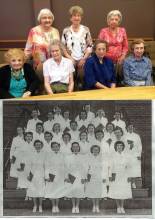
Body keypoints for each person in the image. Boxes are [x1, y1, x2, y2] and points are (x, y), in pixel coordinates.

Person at [24, 8, 60, 82]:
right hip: (39, 63)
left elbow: (59, 48)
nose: (47, 20)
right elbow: (28, 49)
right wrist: (22, 61)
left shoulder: (55, 31)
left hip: (54, 62)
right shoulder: (34, 31)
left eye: (49, 18)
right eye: (44, 18)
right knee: (40, 80)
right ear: (40, 20)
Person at [61, 5, 93, 89]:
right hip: (70, 58)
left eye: (78, 15)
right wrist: (69, 58)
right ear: (70, 18)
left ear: (81, 17)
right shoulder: (66, 30)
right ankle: (72, 88)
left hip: (84, 58)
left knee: (82, 75)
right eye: (74, 15)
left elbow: (90, 46)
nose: (76, 18)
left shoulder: (86, 29)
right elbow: (63, 47)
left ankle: (82, 88)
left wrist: (83, 59)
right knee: (70, 73)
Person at [98, 10, 128, 84]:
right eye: (112, 19)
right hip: (105, 59)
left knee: (123, 67)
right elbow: (98, 45)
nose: (114, 21)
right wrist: (103, 58)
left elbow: (125, 46)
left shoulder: (122, 31)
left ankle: (120, 84)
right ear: (108, 21)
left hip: (119, 59)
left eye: (116, 19)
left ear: (119, 21)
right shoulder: (103, 31)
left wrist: (123, 56)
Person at [108, 141, 132, 214]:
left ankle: (122, 206)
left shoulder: (126, 155)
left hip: (124, 174)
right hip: (115, 174)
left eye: (121, 145)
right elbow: (110, 166)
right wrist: (110, 175)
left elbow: (129, 167)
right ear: (116, 147)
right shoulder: (113, 155)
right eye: (118, 146)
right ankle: (118, 207)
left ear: (123, 147)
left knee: (123, 190)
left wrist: (129, 176)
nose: (119, 147)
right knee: (116, 190)